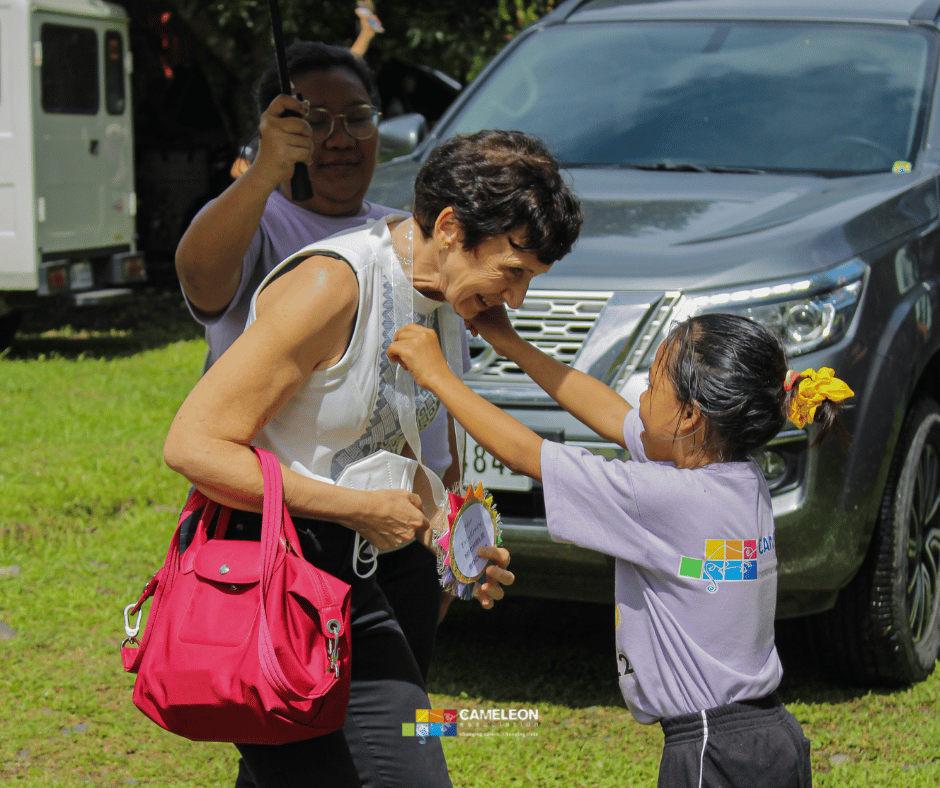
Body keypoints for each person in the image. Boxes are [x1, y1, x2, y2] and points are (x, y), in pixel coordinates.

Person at [164, 128, 583, 788]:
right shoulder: (332, 285)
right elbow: (192, 445)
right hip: (269, 589)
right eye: (513, 272)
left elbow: (394, 444)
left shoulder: (444, 294)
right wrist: (356, 509)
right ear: (449, 227)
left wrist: (456, 545)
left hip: (359, 588)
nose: (518, 299)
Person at [388, 311, 855, 788]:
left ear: (691, 415)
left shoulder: (662, 497)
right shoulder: (741, 477)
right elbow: (614, 416)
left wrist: (436, 375)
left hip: (711, 752)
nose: (642, 399)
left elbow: (525, 452)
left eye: (652, 386)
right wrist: (510, 343)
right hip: (772, 737)